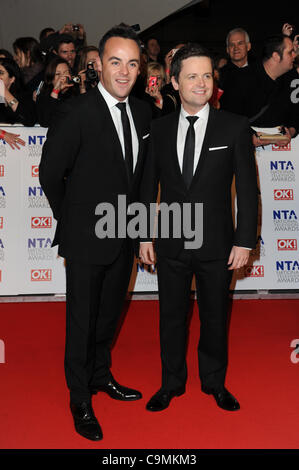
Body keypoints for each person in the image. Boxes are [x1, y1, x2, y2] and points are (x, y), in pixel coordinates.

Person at [39, 23, 151, 441]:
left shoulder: (143, 112)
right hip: (86, 238)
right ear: (99, 65)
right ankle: (79, 395)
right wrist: (70, 220)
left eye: (132, 64)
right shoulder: (76, 111)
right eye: (115, 62)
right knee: (81, 321)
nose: (123, 72)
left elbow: (139, 180)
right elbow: (50, 173)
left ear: (140, 70)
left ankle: (102, 376)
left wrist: (141, 231)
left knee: (108, 316)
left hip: (124, 236)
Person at [139, 43, 258, 413]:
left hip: (218, 243)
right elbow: (146, 186)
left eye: (207, 75)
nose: (202, 83)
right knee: (170, 317)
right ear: (174, 82)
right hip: (171, 240)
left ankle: (214, 382)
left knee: (215, 317)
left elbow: (249, 189)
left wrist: (244, 240)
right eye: (192, 76)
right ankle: (171, 383)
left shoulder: (235, 126)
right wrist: (144, 233)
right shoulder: (157, 130)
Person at [220, 34, 297, 147]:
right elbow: (228, 118)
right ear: (276, 56)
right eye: (290, 52)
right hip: (246, 152)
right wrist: (250, 137)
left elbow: (296, 112)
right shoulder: (239, 79)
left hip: (283, 157)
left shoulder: (292, 78)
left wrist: (291, 131)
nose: (294, 55)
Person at [36, 57, 78, 128]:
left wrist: (82, 87)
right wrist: (55, 91)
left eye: (66, 72)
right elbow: (45, 122)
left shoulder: (76, 92)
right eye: (58, 74)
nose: (62, 77)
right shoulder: (44, 96)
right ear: (51, 78)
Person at [0, 58, 36, 126]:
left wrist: (5, 92)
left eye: (1, 73)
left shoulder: (24, 96)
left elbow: (29, 120)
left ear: (12, 79)